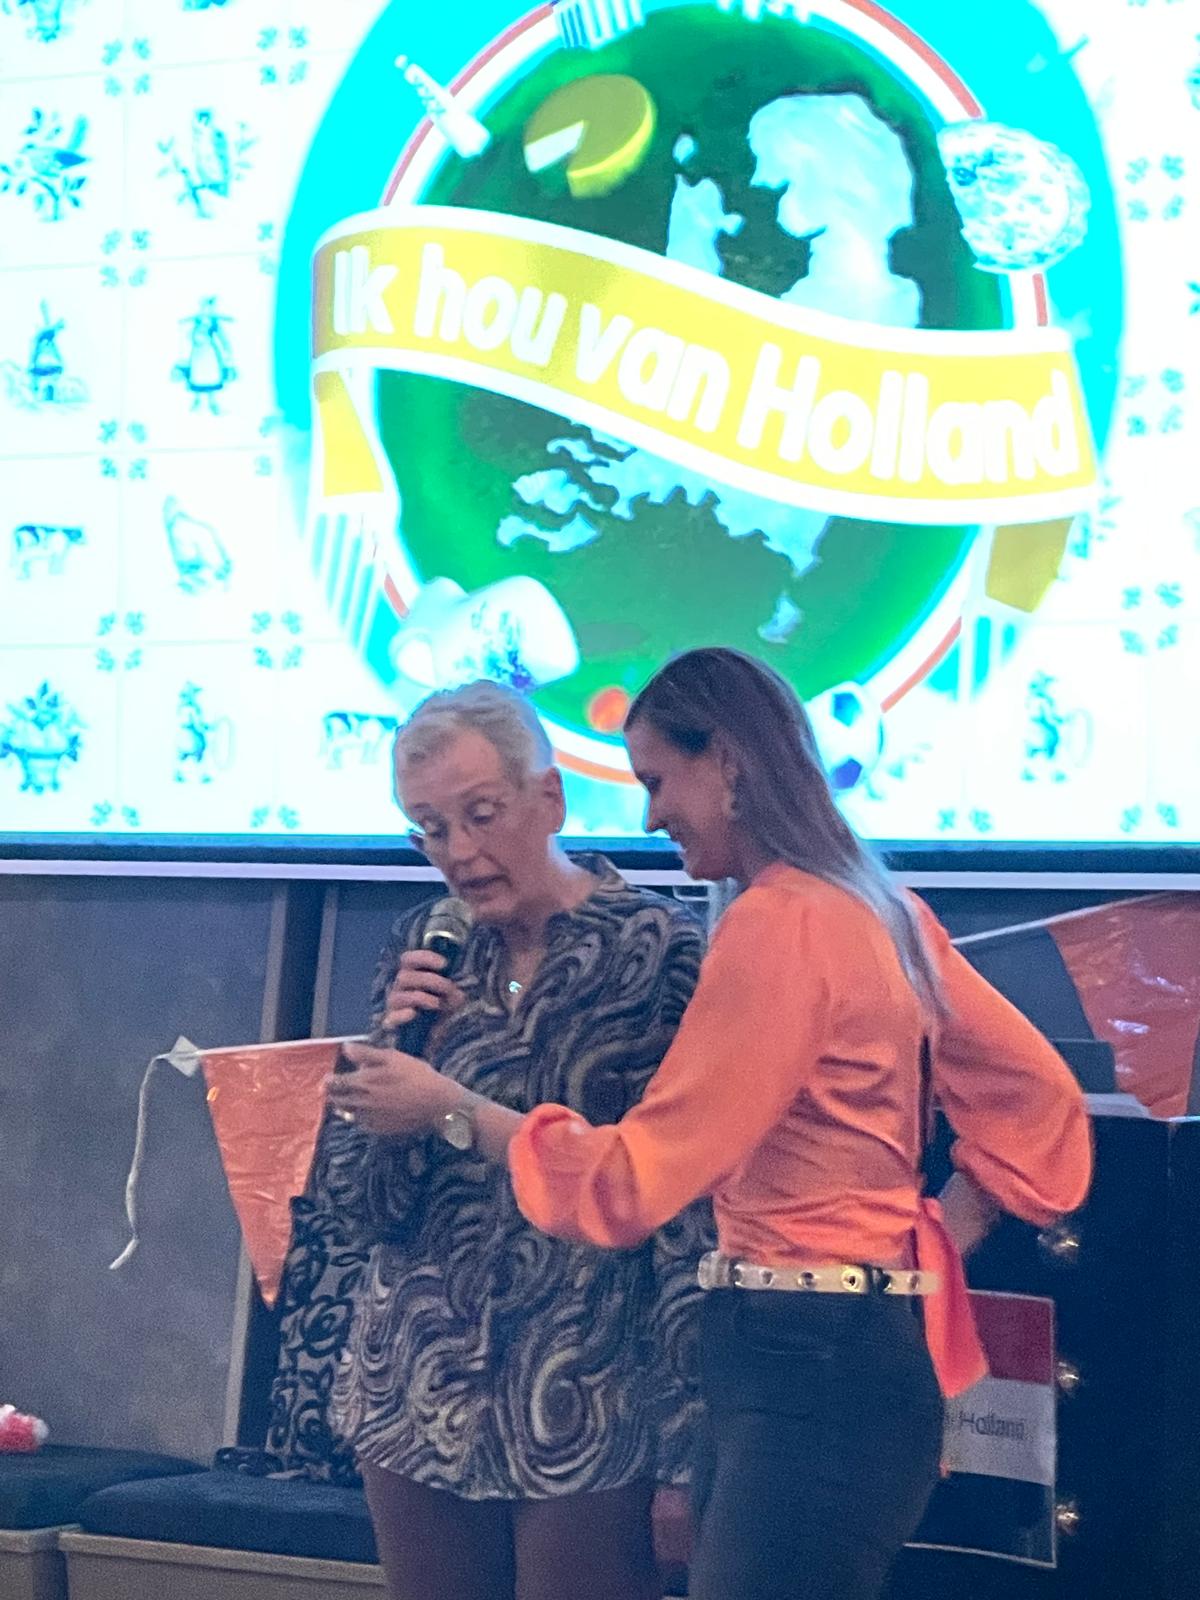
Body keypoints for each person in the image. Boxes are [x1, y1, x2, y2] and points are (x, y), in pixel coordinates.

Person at [331, 647, 1094, 1600]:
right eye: (429, 828)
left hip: (730, 1369)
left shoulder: (766, 925)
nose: (650, 815)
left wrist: (454, 1109)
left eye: (657, 781)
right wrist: (922, 1243)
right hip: (792, 1346)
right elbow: (1037, 1102)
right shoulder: (876, 906)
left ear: (727, 764)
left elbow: (636, 1185)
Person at [326, 679, 712, 1600]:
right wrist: (396, 1049)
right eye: (429, 829)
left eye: (481, 815)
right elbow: (358, 1208)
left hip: (589, 1393)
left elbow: (688, 1206)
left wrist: (688, 1445)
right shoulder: (424, 947)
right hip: (413, 1391)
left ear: (550, 798)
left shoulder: (659, 949)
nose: (458, 852)